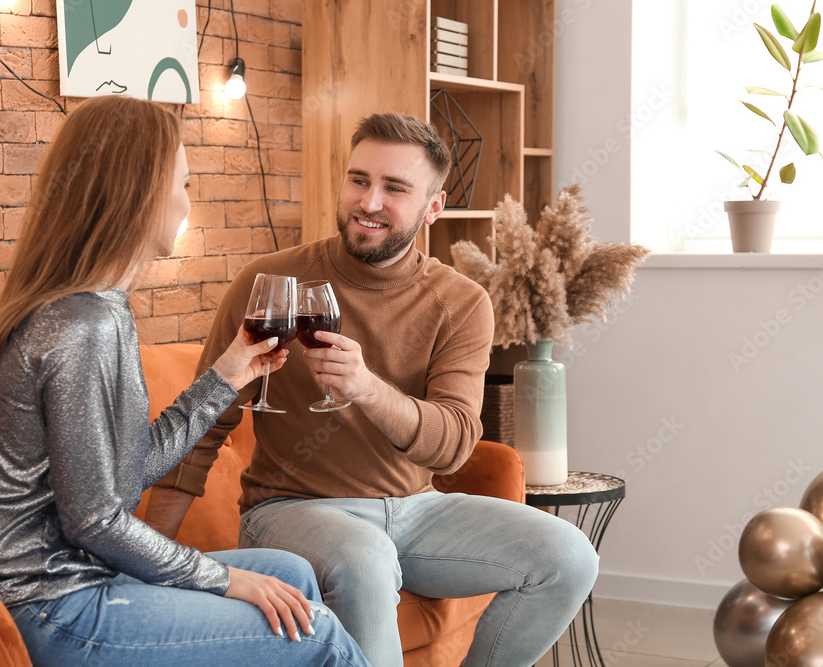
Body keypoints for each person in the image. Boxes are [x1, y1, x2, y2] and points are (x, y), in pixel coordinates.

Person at [0, 96, 369, 667]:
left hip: (68, 581)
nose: (188, 203)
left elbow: (120, 472)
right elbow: (95, 520)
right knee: (322, 635)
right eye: (183, 184)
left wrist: (227, 375)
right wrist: (220, 578)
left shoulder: (98, 307)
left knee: (291, 576)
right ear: (138, 195)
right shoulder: (81, 324)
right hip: (43, 603)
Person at [146, 112, 601, 666]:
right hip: (289, 510)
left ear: (432, 207)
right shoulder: (270, 282)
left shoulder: (459, 303)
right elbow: (202, 427)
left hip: (418, 510)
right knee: (364, 557)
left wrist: (365, 387)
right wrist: (150, 561)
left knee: (569, 556)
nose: (369, 202)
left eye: (395, 188)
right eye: (359, 180)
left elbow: (454, 443)